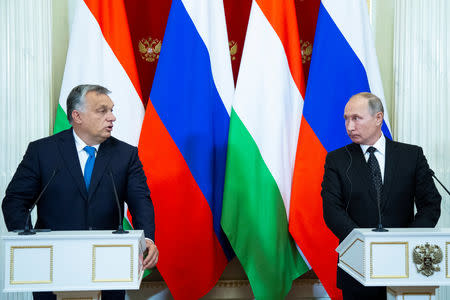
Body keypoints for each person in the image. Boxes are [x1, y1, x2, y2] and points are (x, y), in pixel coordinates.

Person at [2, 84, 158, 300]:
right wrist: (29, 245)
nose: (112, 117)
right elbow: (15, 201)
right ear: (77, 116)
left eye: (112, 110)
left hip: (109, 263)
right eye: (102, 111)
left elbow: (141, 202)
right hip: (50, 264)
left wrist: (148, 239)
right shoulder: (42, 152)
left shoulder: (125, 154)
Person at [322, 92, 441, 300]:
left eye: (356, 118)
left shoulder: (411, 156)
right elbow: (332, 210)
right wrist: (365, 245)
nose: (349, 126)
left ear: (378, 118)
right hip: (357, 266)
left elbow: (430, 204)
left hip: (406, 265)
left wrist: (406, 242)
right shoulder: (337, 160)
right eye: (346, 119)